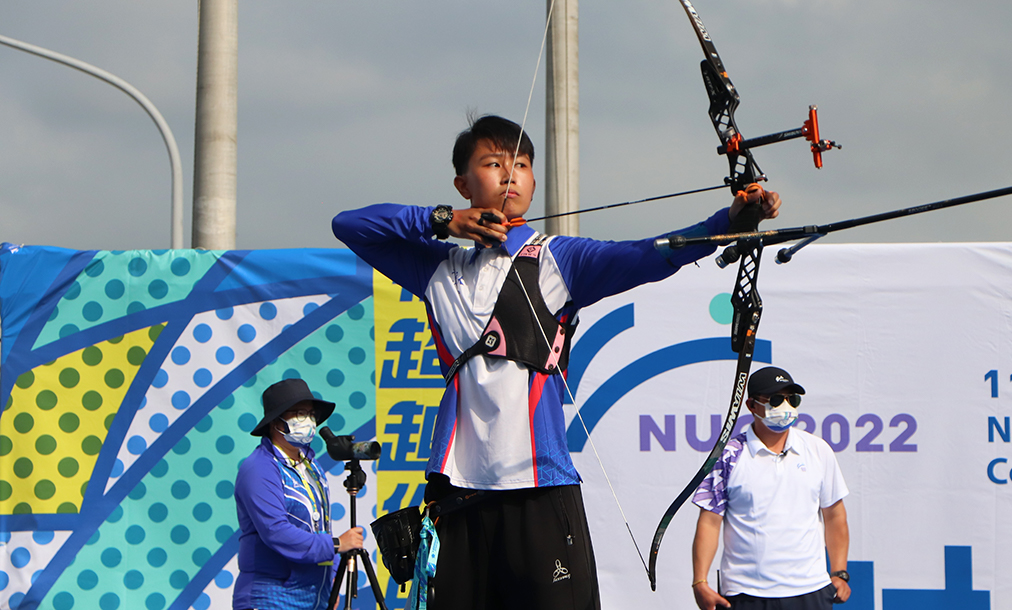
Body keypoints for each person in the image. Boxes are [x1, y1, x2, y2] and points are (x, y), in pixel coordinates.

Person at [331, 114, 782, 610]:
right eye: (493, 163)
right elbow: (350, 225)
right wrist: (442, 221)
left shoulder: (558, 259)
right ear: (463, 183)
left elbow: (649, 255)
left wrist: (729, 223)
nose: (510, 175)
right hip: (457, 491)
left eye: (521, 165)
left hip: (539, 486)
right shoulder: (437, 266)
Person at [691, 366, 850, 610]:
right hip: (746, 593)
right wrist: (700, 581)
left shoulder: (818, 449)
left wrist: (839, 571)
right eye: (776, 400)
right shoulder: (728, 456)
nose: (785, 407)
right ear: (752, 406)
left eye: (792, 399)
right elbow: (709, 521)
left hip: (811, 590)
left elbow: (834, 514)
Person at [233, 378, 366, 610]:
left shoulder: (311, 465)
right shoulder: (259, 468)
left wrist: (332, 579)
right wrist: (335, 545)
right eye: (299, 413)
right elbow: (275, 531)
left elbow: (321, 526)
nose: (308, 421)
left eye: (311, 413)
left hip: (314, 598)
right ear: (276, 421)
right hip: (271, 599)